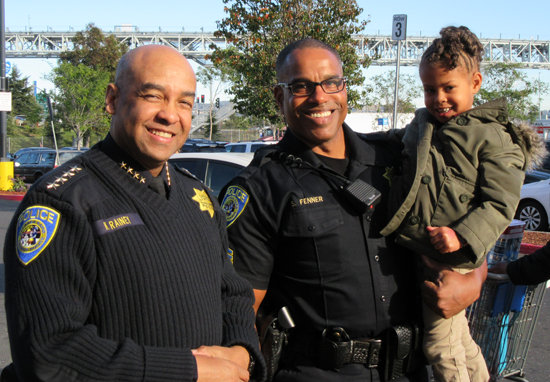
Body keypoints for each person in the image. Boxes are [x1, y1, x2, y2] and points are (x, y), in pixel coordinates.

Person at [219, 38, 487, 382]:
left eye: (331, 82)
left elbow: (465, 219)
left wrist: (475, 281)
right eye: (300, 86)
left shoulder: (394, 157)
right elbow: (241, 310)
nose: (320, 97)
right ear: (278, 97)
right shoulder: (259, 188)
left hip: (411, 371)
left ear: (344, 89)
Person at [2, 45, 264, 382]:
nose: (170, 115)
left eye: (184, 102)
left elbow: (233, 293)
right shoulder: (63, 202)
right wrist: (188, 370)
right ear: (113, 100)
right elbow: (49, 353)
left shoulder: (198, 198)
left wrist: (241, 350)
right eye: (153, 96)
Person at [379, 26, 543, 382]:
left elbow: (500, 204)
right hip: (422, 252)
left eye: (449, 87)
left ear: (476, 83)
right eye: (428, 89)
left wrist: (461, 236)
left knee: (442, 347)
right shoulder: (423, 125)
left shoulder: (494, 138)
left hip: (452, 263)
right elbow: (394, 143)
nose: (438, 98)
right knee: (462, 343)